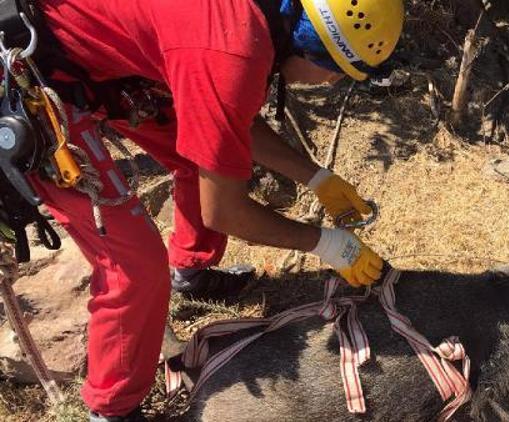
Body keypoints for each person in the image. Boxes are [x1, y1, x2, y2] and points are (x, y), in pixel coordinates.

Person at [23, 0, 405, 420]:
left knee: (200, 159)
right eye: (337, 71)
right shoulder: (232, 51)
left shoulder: (254, 21)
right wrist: (329, 246)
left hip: (100, 60)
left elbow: (227, 120)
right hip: (34, 70)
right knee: (134, 264)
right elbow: (225, 212)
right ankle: (112, 409)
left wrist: (317, 179)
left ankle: (189, 271)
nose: (331, 82)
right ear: (310, 46)